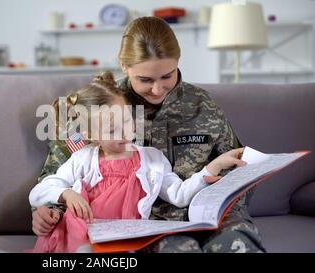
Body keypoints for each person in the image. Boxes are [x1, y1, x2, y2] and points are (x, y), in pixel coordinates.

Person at [32, 16, 265, 253]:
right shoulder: (104, 105)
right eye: (145, 80)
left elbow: (236, 167)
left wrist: (228, 181)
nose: (157, 89)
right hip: (147, 224)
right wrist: (49, 211)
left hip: (209, 214)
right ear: (125, 66)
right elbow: (62, 176)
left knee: (239, 243)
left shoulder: (203, 104)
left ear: (177, 62)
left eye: (167, 76)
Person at [29, 72, 246, 253]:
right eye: (111, 129)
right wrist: (67, 194)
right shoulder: (83, 159)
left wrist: (212, 167)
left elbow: (178, 195)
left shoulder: (151, 159)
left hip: (126, 241)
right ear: (91, 134)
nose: (124, 133)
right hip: (83, 236)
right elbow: (39, 191)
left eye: (126, 120)